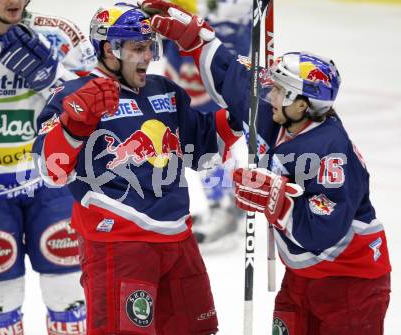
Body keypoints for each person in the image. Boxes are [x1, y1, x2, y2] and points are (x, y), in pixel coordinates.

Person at [138, 2, 392, 332]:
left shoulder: (329, 151)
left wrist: (277, 199)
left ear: (304, 104)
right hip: (301, 276)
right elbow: (235, 78)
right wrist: (199, 39)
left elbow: (323, 232)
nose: (272, 97)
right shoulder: (279, 116)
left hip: (349, 283)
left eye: (282, 92)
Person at [32, 3, 244, 335]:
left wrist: (244, 107)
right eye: (137, 48)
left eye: (151, 47)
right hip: (118, 244)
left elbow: (205, 149)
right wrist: (73, 126)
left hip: (179, 240)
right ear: (108, 49)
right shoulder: (73, 95)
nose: (147, 57)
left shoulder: (165, 91)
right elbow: (49, 170)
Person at [0, 0, 97, 333]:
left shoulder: (59, 33)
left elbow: (106, 102)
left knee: (68, 294)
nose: (12, 1)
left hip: (52, 185)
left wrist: (52, 79)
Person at [162, 0, 251, 246]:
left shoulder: (234, 15)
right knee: (201, 148)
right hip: (190, 63)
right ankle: (225, 204)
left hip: (214, 62)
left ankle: (225, 207)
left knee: (211, 147)